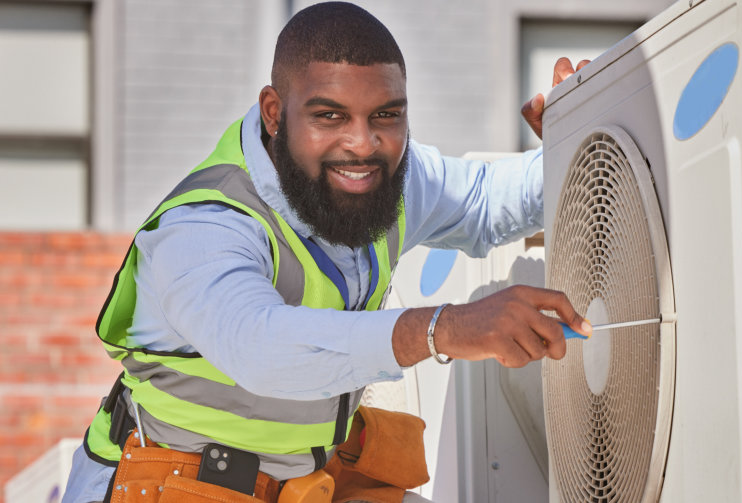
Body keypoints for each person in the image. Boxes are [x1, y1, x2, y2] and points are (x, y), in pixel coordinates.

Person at [63, 2, 590, 502]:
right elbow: (261, 348)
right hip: (171, 483)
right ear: (275, 112)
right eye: (330, 116)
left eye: (386, 115)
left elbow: (485, 200)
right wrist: (443, 328)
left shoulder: (389, 179)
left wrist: (579, 138)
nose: (362, 144)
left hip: (297, 480)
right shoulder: (205, 226)